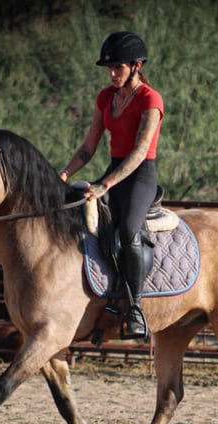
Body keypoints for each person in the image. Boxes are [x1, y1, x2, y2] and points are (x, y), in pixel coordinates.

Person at [59, 31, 164, 340]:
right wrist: (64, 174)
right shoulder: (105, 97)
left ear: (136, 65)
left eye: (118, 67)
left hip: (140, 176)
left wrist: (104, 185)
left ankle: (134, 307)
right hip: (112, 170)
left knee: (130, 230)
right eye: (110, 68)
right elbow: (88, 147)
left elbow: (139, 152)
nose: (112, 73)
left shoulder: (150, 99)